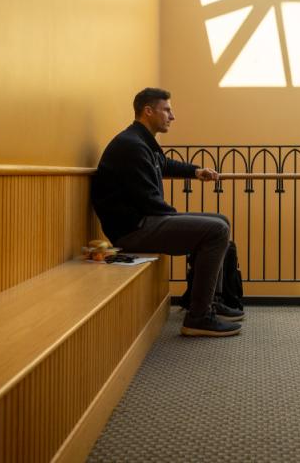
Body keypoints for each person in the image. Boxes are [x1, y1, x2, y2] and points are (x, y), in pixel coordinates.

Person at [91, 88, 244, 337]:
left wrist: (195, 172)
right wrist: (181, 219)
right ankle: (199, 317)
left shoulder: (142, 142)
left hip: (144, 220)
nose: (172, 116)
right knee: (216, 230)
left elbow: (165, 164)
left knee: (220, 221)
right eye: (167, 110)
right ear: (148, 111)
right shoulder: (131, 146)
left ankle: (209, 302)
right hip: (132, 230)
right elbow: (150, 202)